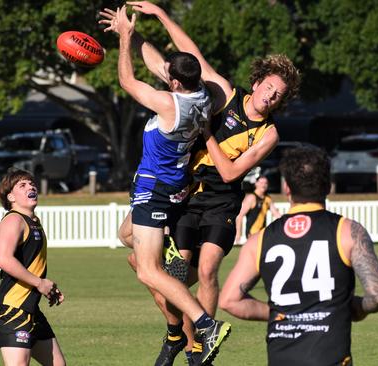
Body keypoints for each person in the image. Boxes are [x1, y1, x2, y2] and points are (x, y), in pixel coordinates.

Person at [126, 2, 301, 365]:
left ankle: (198, 348)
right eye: (268, 87)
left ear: (282, 102)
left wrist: (205, 132)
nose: (270, 96)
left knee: (205, 269)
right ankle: (181, 336)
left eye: (278, 95)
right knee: (155, 273)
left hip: (222, 203)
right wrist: (154, 19)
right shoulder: (224, 93)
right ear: (257, 82)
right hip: (187, 194)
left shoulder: (268, 134)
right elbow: (187, 57)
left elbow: (231, 173)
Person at [100, 7, 231, 366]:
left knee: (147, 269)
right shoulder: (204, 93)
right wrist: (132, 31)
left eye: (168, 77)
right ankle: (169, 255)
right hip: (174, 184)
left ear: (174, 83)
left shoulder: (170, 104)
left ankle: (205, 325)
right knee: (126, 233)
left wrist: (125, 40)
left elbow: (128, 82)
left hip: (155, 187)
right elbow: (160, 64)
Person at [219, 145, 378, 366]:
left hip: (283, 358)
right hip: (331, 358)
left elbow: (229, 300)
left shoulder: (259, 240)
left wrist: (279, 312)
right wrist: (350, 308)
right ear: (328, 186)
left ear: (286, 188)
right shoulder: (348, 231)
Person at [0, 168, 66, 366]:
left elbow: (31, 263)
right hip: (12, 309)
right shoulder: (13, 219)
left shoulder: (34, 222)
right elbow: (4, 260)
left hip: (31, 310)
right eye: (22, 185)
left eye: (31, 183)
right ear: (11, 197)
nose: (30, 187)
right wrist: (39, 283)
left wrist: (47, 287)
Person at [235, 175, 282, 244]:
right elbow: (239, 216)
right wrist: (238, 234)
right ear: (256, 184)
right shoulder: (251, 198)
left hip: (262, 233)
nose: (264, 185)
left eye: (265, 183)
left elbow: (276, 214)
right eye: (261, 182)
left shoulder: (267, 198)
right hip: (252, 233)